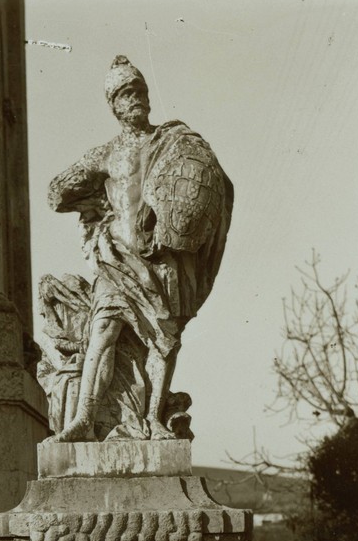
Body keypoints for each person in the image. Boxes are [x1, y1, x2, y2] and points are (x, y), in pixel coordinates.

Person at [46, 56, 233, 442]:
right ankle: (83, 418)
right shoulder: (104, 154)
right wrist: (90, 196)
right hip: (118, 260)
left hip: (162, 258)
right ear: (114, 104)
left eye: (141, 92)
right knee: (103, 330)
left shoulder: (175, 143)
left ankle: (152, 420)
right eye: (127, 93)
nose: (137, 99)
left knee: (164, 340)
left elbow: (204, 185)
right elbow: (56, 194)